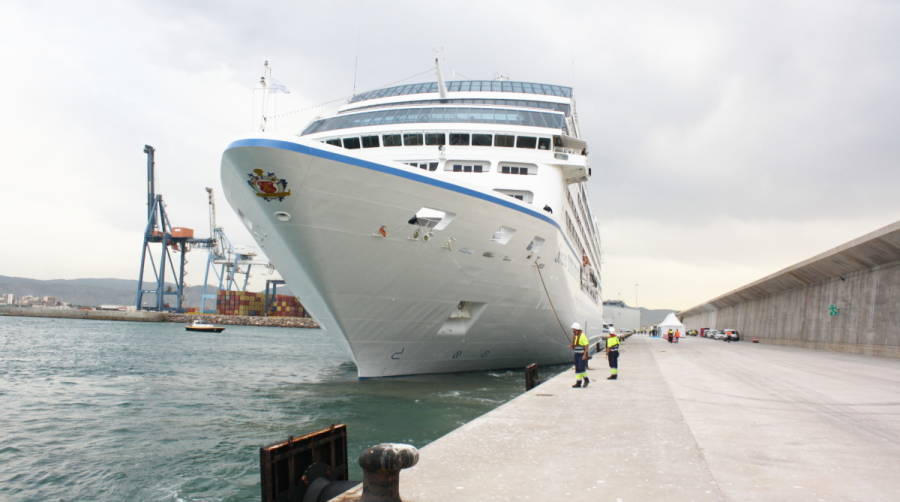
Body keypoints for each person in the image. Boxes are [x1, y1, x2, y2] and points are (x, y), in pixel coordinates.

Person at [569, 322, 590, 388]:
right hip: (576, 354)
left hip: (581, 355)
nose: (573, 331)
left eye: (574, 329)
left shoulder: (582, 336)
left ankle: (586, 380)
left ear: (577, 329)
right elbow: (575, 345)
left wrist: (584, 355)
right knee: (577, 369)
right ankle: (578, 383)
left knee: (581, 368)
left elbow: (586, 345)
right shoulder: (575, 336)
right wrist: (571, 346)